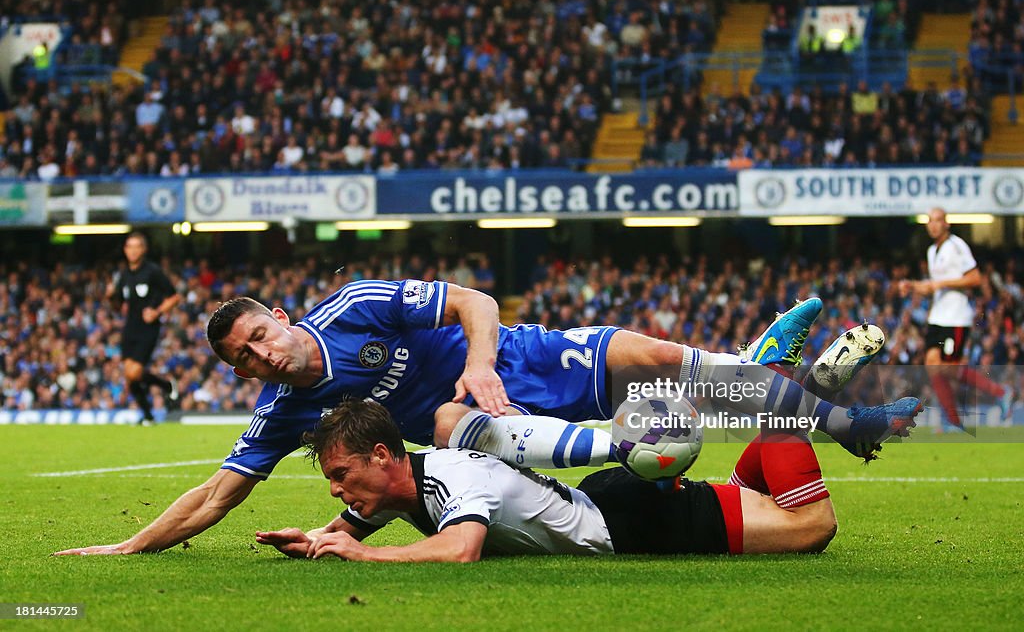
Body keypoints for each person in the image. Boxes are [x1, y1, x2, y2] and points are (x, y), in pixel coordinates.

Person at [54, 283, 918, 556]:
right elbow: (219, 494)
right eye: (240, 358)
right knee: (452, 423)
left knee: (657, 360)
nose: (258, 358)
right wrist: (131, 546)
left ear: (277, 316)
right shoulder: (287, 408)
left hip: (511, 366)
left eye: (256, 337)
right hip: (482, 425)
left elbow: (475, 298)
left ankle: (833, 412)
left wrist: (477, 360)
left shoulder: (353, 305)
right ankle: (770, 373)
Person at [253, 399, 847, 562]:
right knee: (763, 490)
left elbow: (460, 550)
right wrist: (312, 540)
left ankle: (794, 394)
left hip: (636, 523)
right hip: (609, 501)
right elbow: (347, 524)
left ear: (382, 456)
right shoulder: (396, 485)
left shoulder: (453, 481)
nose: (336, 488)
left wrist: (364, 558)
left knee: (812, 526)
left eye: (340, 474)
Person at [899, 208, 1011, 428]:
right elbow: (934, 287)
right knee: (933, 366)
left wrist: (942, 283)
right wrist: (912, 286)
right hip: (938, 317)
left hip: (955, 318)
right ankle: (954, 421)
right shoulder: (932, 251)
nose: (933, 225)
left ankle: (1000, 393)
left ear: (946, 224)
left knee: (947, 369)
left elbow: (975, 278)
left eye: (937, 220)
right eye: (930, 221)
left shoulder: (957, 246)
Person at [107, 232, 181, 424]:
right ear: (125, 250)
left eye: (136, 246)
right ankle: (148, 416)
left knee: (133, 372)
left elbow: (174, 297)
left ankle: (166, 385)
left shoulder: (152, 271)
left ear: (143, 249)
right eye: (129, 246)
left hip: (148, 328)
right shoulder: (123, 275)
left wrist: (156, 312)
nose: (132, 251)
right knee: (129, 376)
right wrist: (110, 297)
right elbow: (117, 306)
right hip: (130, 327)